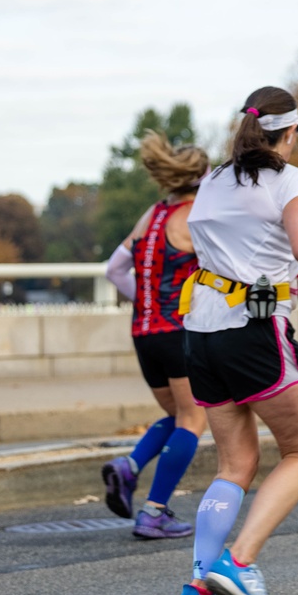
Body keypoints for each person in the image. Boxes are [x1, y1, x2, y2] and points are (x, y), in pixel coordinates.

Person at [172, 85, 298, 595]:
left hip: (200, 329)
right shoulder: (289, 179)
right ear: (290, 132)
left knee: (235, 464)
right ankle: (239, 562)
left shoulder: (213, 179)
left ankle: (196, 592)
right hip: (253, 328)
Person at [100, 132, 210, 538]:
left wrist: (145, 301)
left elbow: (113, 270)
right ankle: (154, 511)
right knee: (195, 417)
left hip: (143, 332)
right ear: (201, 177)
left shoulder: (151, 216)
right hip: (177, 331)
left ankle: (129, 467)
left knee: (175, 414)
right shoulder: (196, 217)